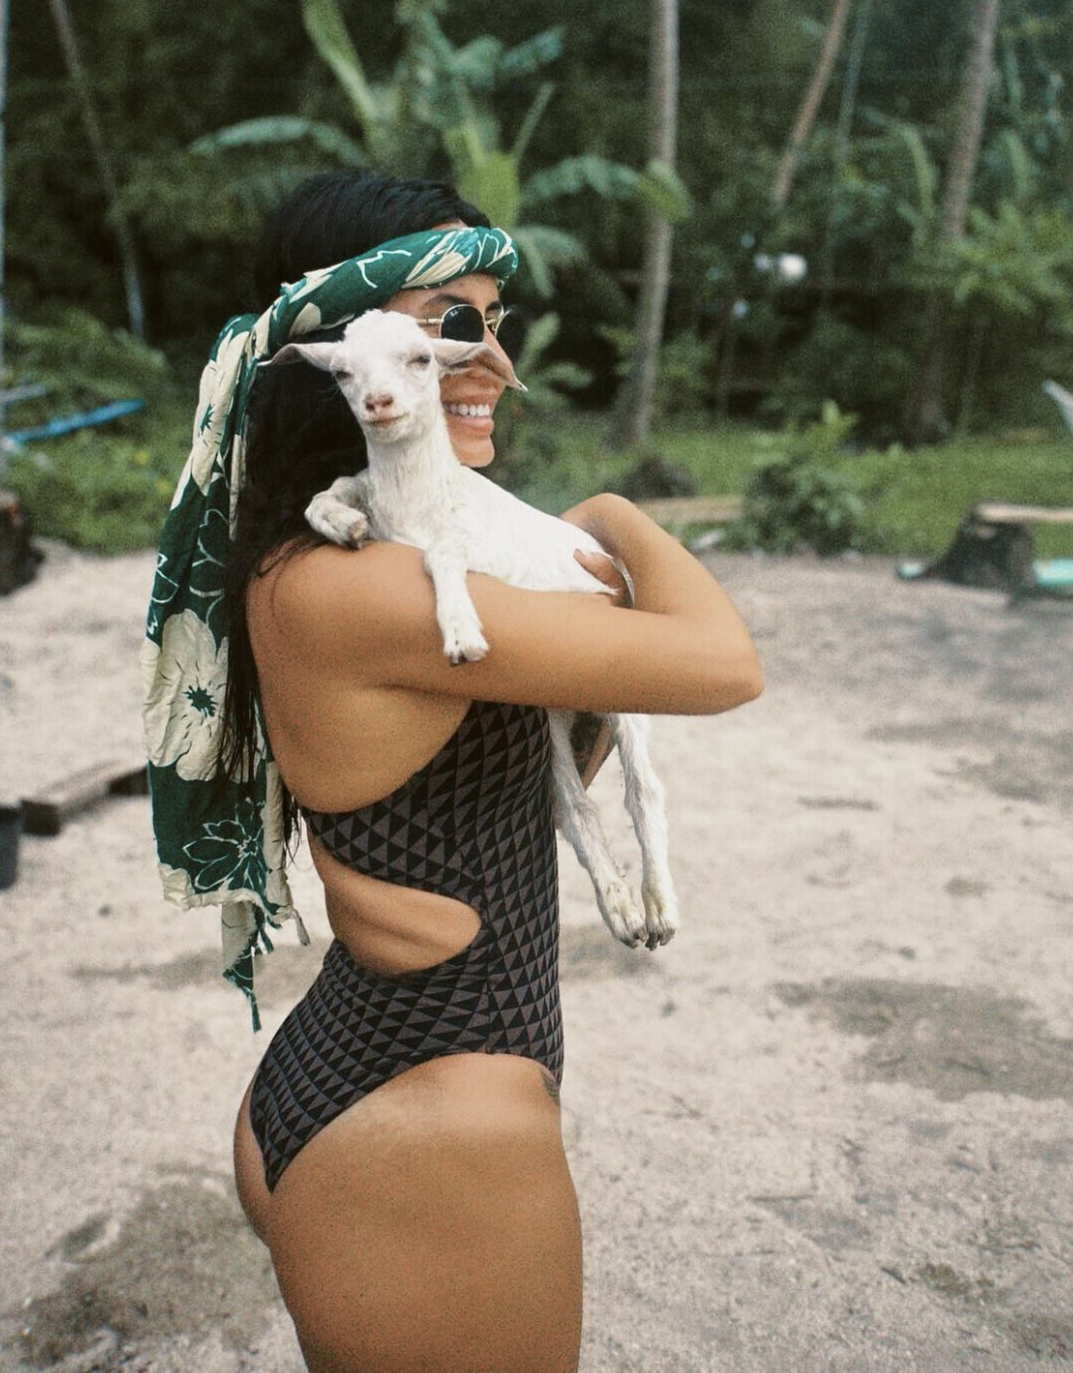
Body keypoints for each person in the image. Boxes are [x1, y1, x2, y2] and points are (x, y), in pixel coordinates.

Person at [149, 170, 762, 1373]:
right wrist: (615, 511)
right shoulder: (379, 592)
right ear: (341, 353)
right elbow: (721, 661)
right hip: (432, 1121)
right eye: (452, 322)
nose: (486, 358)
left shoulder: (314, 553)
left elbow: (570, 738)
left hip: (359, 1061)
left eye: (491, 322)